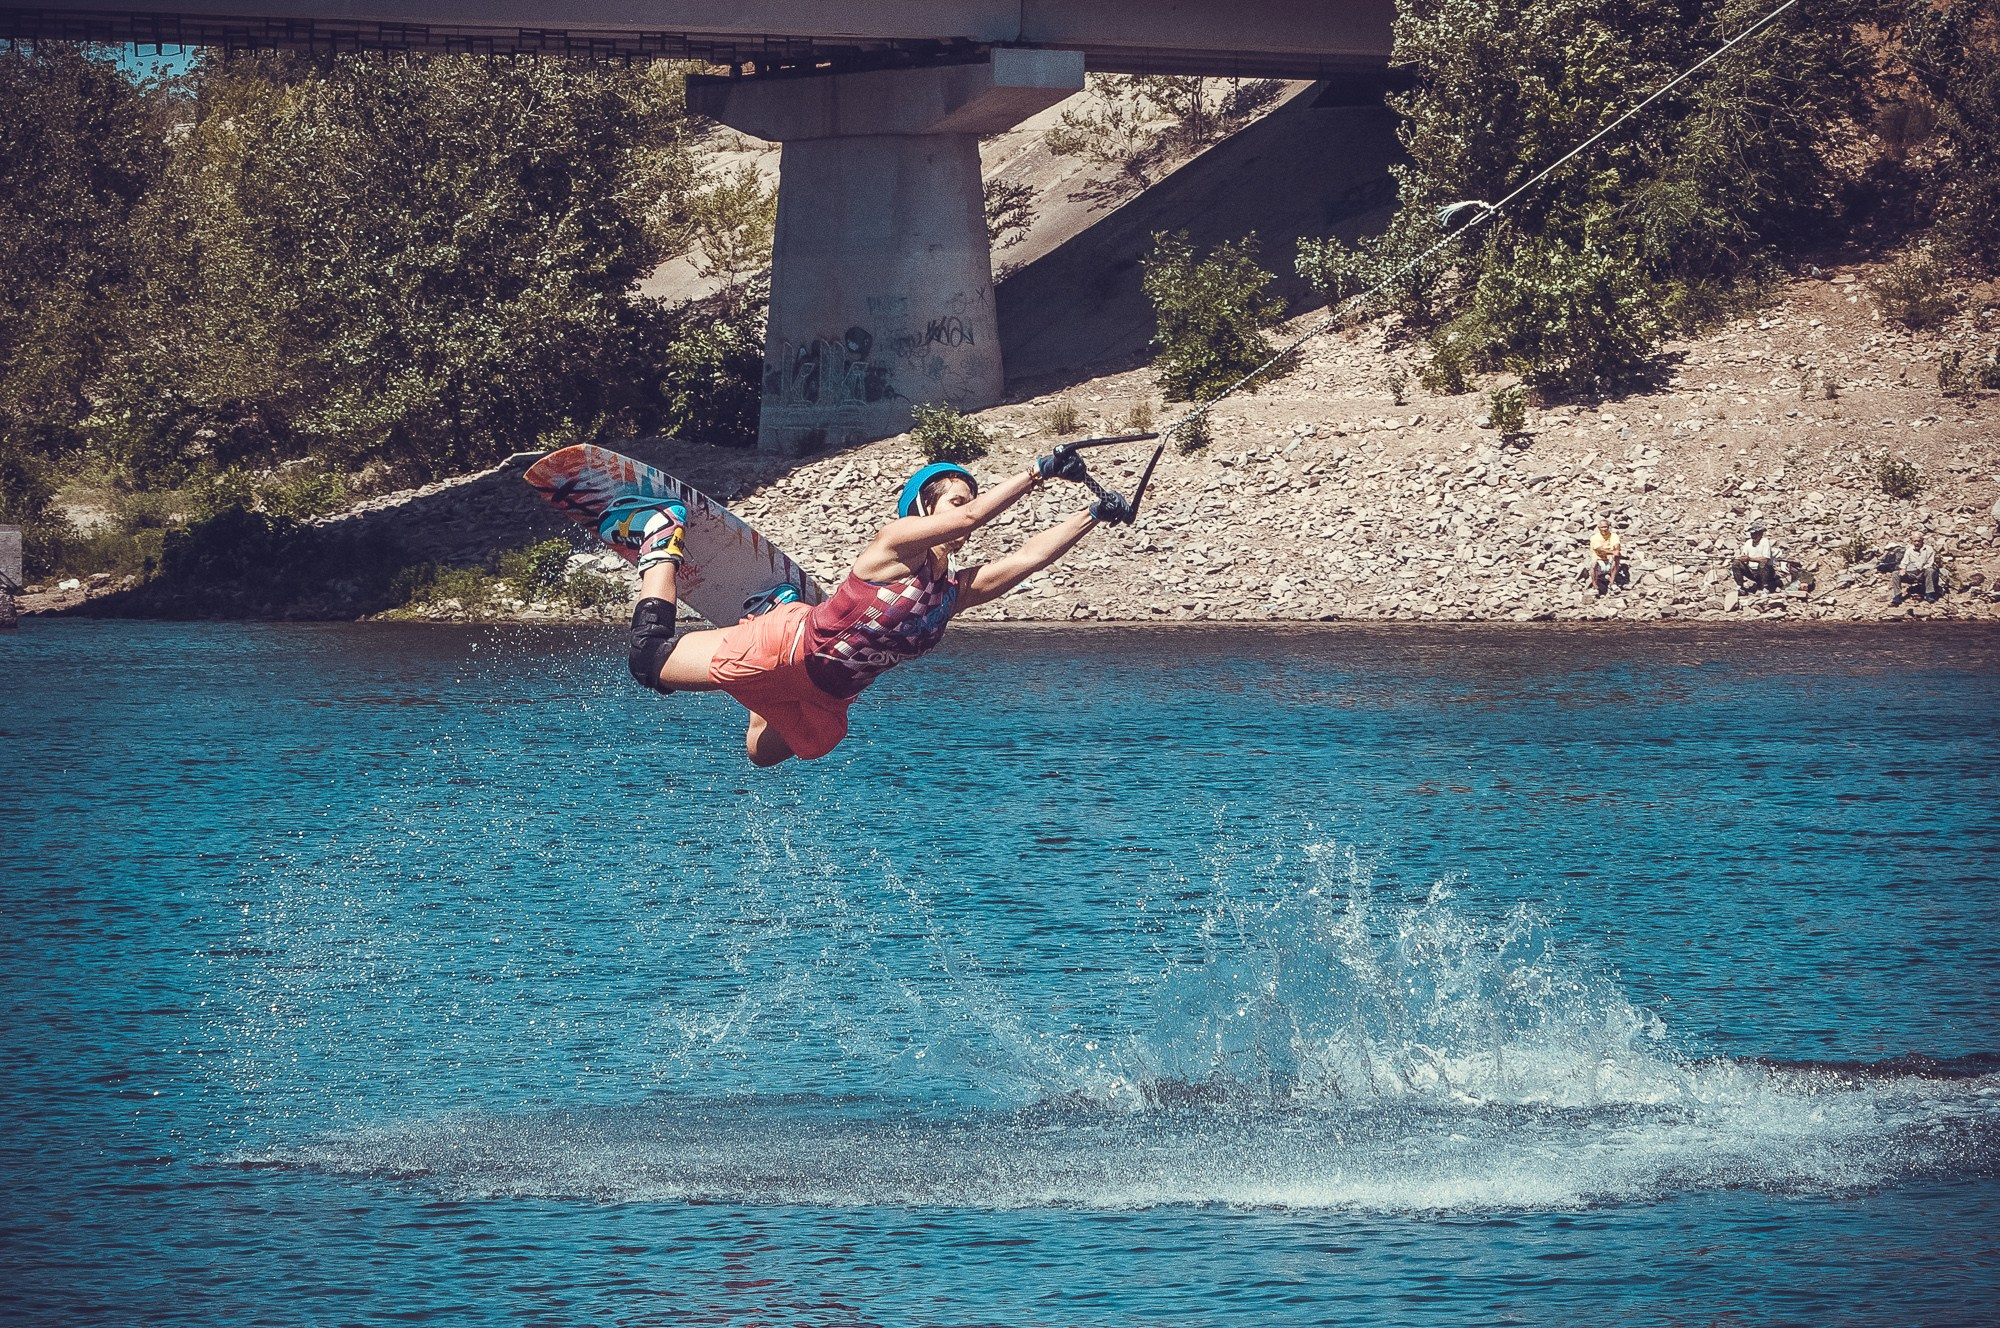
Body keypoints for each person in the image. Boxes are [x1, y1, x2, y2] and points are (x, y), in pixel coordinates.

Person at [597, 453, 1129, 766]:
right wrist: (1035, 474)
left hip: (827, 697)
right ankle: (662, 536)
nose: (966, 510)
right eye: (957, 500)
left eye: (971, 500)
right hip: (790, 648)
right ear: (923, 508)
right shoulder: (892, 548)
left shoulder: (951, 594)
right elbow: (971, 525)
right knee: (648, 661)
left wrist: (1094, 513)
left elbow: (1031, 557)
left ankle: (768, 613)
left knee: (764, 754)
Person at [1889, 531, 1939, 605]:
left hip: (1923, 573)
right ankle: (1897, 596)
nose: (1917, 543)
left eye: (1919, 541)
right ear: (1912, 541)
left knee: (1930, 571)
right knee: (1895, 574)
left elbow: (1930, 563)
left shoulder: (1928, 549)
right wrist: (1903, 569)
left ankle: (1929, 594)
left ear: (1922, 541)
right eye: (1915, 541)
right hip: (1912, 573)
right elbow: (1904, 562)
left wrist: (1923, 568)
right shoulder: (1909, 550)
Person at [1732, 522, 1781, 593]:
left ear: (1760, 534)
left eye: (1755, 534)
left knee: (1762, 564)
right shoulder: (1748, 542)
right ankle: (1740, 587)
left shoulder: (1765, 541)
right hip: (1751, 571)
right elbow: (1744, 556)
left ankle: (1765, 587)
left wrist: (1750, 559)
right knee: (1736, 563)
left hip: (1766, 573)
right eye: (1752, 534)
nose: (1753, 536)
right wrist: (1742, 559)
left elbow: (1765, 559)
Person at [1586, 515, 1623, 596]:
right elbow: (1599, 549)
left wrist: (1616, 551)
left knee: (1617, 556)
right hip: (1599, 561)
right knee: (1593, 563)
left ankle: (1612, 583)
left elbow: (1617, 546)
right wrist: (1612, 552)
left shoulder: (1613, 536)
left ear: (1609, 527)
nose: (1604, 529)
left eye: (1606, 527)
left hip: (1609, 561)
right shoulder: (1594, 537)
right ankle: (1595, 587)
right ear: (1599, 528)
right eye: (1602, 527)